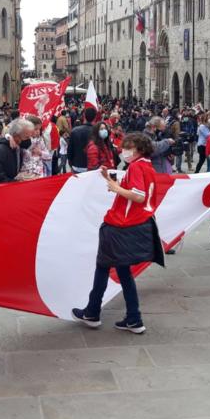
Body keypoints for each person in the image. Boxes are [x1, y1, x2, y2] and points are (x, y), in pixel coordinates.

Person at [72, 133, 164, 334]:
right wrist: (111, 180)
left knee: (103, 266)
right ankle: (133, 318)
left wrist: (114, 187)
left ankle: (92, 312)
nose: (124, 151)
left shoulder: (136, 166)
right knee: (123, 271)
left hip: (121, 224)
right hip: (134, 224)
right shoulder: (146, 166)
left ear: (138, 149)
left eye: (128, 147)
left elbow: (138, 196)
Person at [0, 118, 35, 186]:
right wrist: (18, 182)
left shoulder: (17, 148)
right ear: (16, 136)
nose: (29, 141)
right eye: (27, 137)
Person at [67, 107, 96, 173]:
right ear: (95, 117)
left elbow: (70, 151)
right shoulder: (97, 132)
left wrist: (71, 164)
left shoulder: (75, 131)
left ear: (84, 116)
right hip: (92, 167)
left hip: (77, 166)